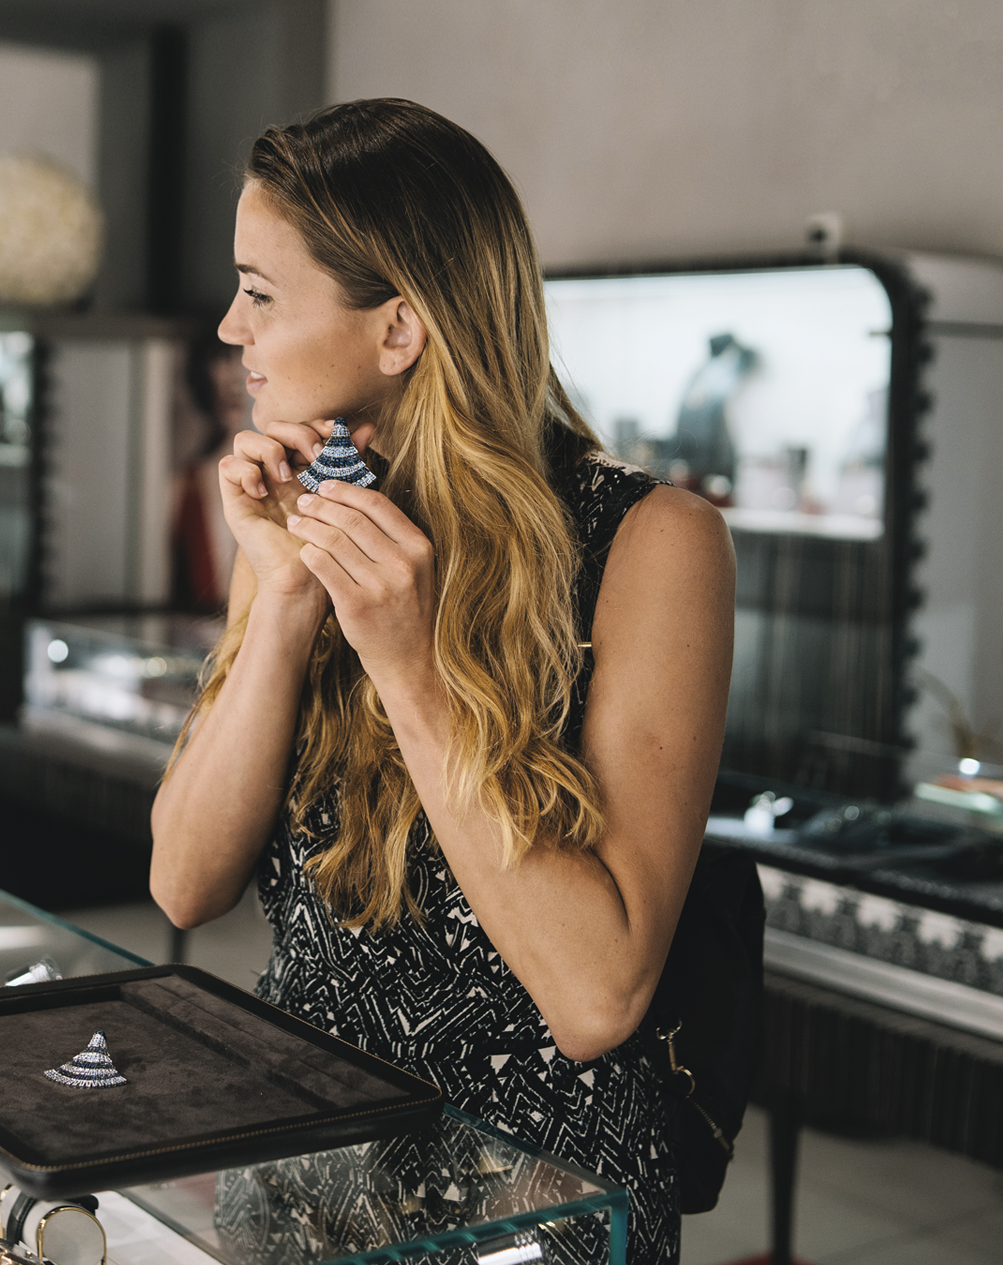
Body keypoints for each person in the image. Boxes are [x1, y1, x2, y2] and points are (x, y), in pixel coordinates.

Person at [149, 100, 736, 1265]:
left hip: (537, 1204)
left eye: (260, 292)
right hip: (299, 1171)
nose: (230, 326)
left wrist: (412, 670)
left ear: (400, 329)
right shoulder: (302, 515)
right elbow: (181, 882)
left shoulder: (653, 543)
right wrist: (279, 602)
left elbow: (597, 998)